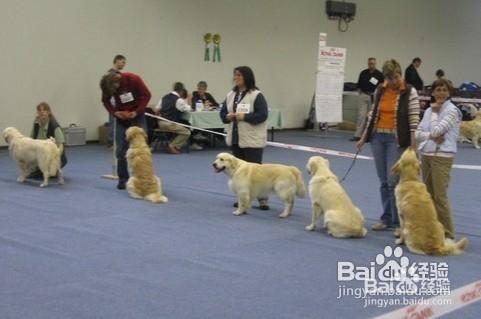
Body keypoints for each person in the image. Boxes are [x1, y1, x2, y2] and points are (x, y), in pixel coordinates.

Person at [357, 59, 420, 231]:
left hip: (396, 140)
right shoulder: (380, 90)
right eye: (390, 78)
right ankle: (386, 218)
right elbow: (373, 115)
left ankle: (399, 222)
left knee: (393, 181)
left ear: (400, 74)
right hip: (378, 138)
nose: (393, 81)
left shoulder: (409, 91)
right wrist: (363, 137)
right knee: (383, 181)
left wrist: (413, 146)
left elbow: (414, 120)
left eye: (396, 77)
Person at [415, 79, 461, 240]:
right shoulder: (427, 111)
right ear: (433, 92)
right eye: (438, 90)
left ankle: (448, 234)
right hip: (426, 155)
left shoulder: (452, 111)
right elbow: (418, 134)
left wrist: (435, 113)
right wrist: (431, 136)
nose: (441, 93)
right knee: (428, 196)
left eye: (444, 90)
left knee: (440, 197)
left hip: (443, 157)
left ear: (449, 92)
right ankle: (433, 228)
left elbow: (437, 130)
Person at [220, 66, 269, 210]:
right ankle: (243, 199)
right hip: (236, 138)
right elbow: (222, 113)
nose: (236, 78)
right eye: (235, 75)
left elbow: (262, 115)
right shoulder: (230, 95)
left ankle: (262, 199)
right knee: (239, 173)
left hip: (252, 139)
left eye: (239, 75)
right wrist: (227, 117)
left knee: (256, 173)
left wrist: (244, 117)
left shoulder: (256, 95)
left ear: (247, 77)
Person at [100, 71, 151, 189]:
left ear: (116, 82)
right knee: (120, 150)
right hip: (121, 118)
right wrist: (114, 112)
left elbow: (147, 95)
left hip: (138, 116)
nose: (114, 92)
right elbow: (105, 101)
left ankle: (144, 178)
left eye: (114, 89)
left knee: (142, 148)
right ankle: (123, 179)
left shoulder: (134, 79)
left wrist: (137, 112)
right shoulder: (107, 85)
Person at [28, 102, 67, 178]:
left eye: (44, 110)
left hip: (53, 155)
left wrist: (56, 159)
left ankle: (53, 168)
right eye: (39, 110)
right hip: (41, 153)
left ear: (49, 112)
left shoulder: (54, 126)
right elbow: (30, 140)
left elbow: (61, 146)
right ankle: (38, 168)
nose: (42, 112)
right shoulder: (36, 124)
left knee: (49, 174)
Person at [350, 57, 384, 141]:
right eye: (370, 63)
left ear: (375, 64)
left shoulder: (379, 74)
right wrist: (360, 93)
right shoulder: (363, 73)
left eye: (373, 63)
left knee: (371, 117)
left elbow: (382, 86)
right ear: (368, 64)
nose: (371, 65)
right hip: (363, 95)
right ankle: (357, 135)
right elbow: (358, 85)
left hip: (374, 97)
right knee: (361, 116)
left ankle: (368, 136)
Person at [154, 82, 192, 154]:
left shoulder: (164, 97)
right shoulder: (178, 100)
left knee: (180, 128)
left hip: (160, 123)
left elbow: (156, 110)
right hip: (170, 123)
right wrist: (189, 99)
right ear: (181, 91)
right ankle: (172, 146)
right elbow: (189, 109)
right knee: (187, 132)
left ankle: (175, 146)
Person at [106, 55, 127, 147]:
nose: (124, 64)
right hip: (114, 102)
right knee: (113, 123)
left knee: (114, 123)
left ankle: (113, 142)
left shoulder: (117, 74)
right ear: (117, 61)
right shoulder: (111, 74)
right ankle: (111, 142)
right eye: (123, 62)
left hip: (116, 102)